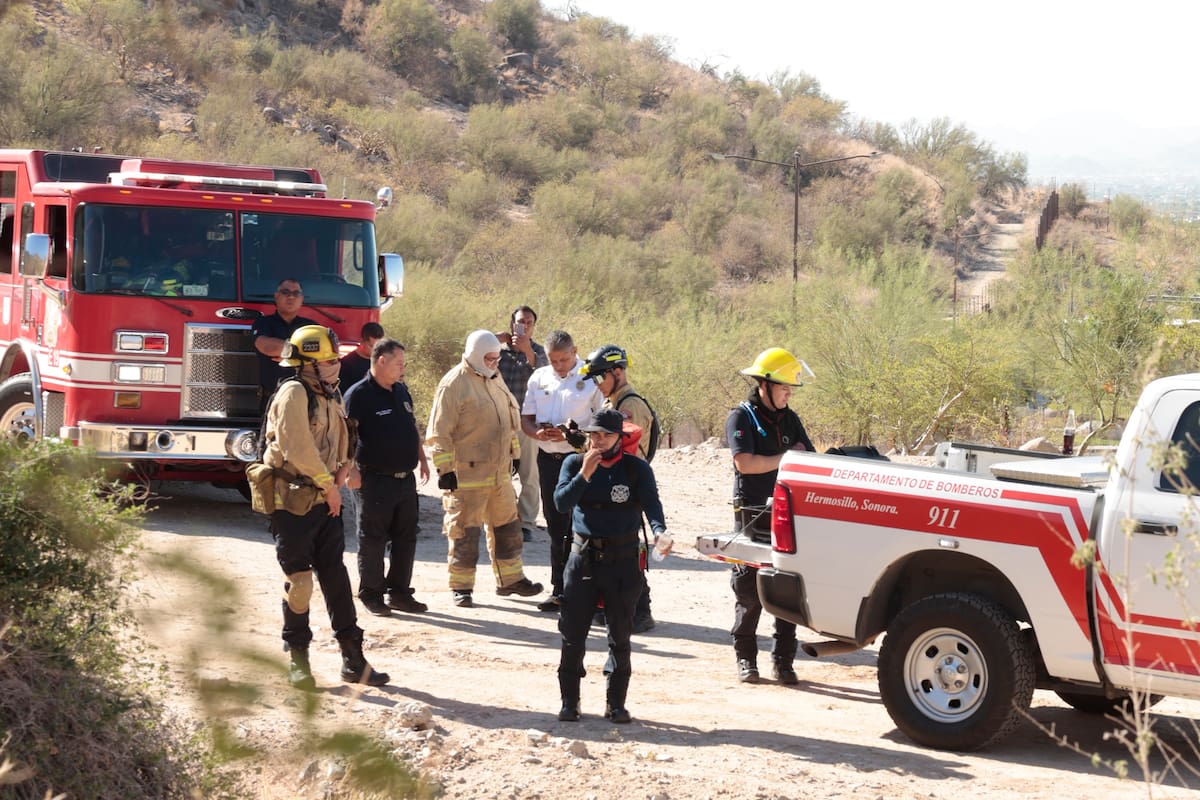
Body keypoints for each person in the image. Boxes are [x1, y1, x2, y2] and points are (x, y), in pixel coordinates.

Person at [259, 324, 388, 690]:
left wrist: (346, 468)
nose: (335, 364)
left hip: (325, 499)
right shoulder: (294, 394)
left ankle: (353, 660)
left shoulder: (330, 394)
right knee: (299, 582)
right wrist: (329, 485)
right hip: (295, 502)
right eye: (328, 360)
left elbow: (345, 438)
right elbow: (297, 448)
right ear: (308, 364)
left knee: (335, 578)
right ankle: (298, 661)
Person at [553, 409, 668, 723]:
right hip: (582, 559)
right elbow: (561, 503)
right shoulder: (574, 464)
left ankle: (615, 703)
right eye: (594, 435)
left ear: (620, 437)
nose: (598, 440)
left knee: (620, 634)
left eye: (605, 435)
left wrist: (661, 532)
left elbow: (652, 504)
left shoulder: (636, 469)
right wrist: (584, 476)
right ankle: (569, 701)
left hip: (623, 561)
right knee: (572, 633)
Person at [426, 330, 544, 608]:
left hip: (499, 475)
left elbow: (508, 419)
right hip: (466, 476)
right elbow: (438, 432)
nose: (494, 363)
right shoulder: (453, 385)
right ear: (476, 355)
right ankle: (462, 587)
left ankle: (510, 580)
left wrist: (514, 453)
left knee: (508, 528)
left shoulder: (494, 377)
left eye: (497, 358)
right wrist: (445, 470)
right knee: (465, 533)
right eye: (489, 358)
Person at [726, 348, 814, 686]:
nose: (789, 394)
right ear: (765, 384)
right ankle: (746, 657)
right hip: (752, 514)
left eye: (791, 390)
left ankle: (784, 661)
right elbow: (745, 463)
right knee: (748, 592)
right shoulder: (741, 416)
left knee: (786, 590)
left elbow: (809, 457)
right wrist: (787, 457)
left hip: (787, 515)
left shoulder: (790, 418)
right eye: (785, 388)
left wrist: (790, 459)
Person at [343, 338, 430, 617]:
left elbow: (411, 427)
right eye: (399, 363)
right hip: (374, 480)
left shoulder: (401, 391)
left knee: (406, 537)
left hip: (405, 479)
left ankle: (400, 593)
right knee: (372, 539)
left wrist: (423, 458)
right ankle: (371, 593)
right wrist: (350, 469)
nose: (403, 368)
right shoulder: (359, 395)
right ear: (381, 361)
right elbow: (345, 436)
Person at [521, 330, 602, 613]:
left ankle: (589, 591)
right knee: (556, 526)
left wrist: (574, 435)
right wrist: (539, 434)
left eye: (564, 359)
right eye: (554, 360)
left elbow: (604, 422)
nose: (559, 365)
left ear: (575, 351)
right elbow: (527, 420)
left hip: (581, 461)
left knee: (583, 524)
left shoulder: (591, 378)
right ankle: (560, 589)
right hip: (548, 460)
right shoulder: (538, 378)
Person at [581, 344, 658, 633]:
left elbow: (622, 449)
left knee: (627, 552)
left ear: (618, 372)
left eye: (601, 377)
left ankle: (641, 610)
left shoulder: (630, 406)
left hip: (627, 487)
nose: (597, 385)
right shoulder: (612, 403)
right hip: (610, 485)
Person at [497, 306, 549, 542]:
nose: (524, 326)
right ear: (512, 323)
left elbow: (546, 378)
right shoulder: (498, 351)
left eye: (528, 322)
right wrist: (493, 339)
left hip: (528, 422)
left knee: (529, 473)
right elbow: (472, 357)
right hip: (500, 422)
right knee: (501, 473)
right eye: (520, 321)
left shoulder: (539, 352)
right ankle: (504, 518)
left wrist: (527, 351)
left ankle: (526, 521)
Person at [252, 278, 317, 412]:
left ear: (302, 299)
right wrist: (300, 354)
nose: (291, 297)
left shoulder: (312, 327)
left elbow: (323, 358)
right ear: (276, 296)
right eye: (285, 292)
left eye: (296, 293)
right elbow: (264, 345)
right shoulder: (263, 323)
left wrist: (289, 357)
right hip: (272, 399)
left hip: (307, 401)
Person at [340, 321, 385, 390]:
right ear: (361, 341)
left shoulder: (383, 362)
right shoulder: (346, 365)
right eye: (371, 346)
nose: (376, 350)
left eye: (379, 346)